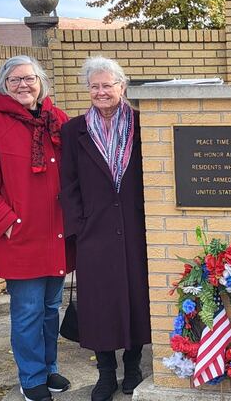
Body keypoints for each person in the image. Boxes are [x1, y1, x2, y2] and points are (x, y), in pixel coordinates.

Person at [0, 56, 74, 401]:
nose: (23, 86)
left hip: (55, 235)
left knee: (48, 309)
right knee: (27, 312)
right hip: (19, 237)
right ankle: (31, 379)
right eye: (14, 80)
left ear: (40, 81)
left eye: (29, 79)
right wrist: (6, 224)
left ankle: (49, 368)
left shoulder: (56, 119)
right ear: (4, 85)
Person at [59, 56, 151, 401]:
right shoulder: (73, 130)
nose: (101, 92)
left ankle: (134, 365)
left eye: (107, 85)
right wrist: (79, 225)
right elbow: (68, 184)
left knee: (136, 296)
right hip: (93, 229)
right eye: (94, 86)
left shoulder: (143, 124)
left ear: (122, 87)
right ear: (88, 90)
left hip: (135, 225)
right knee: (99, 304)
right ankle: (106, 373)